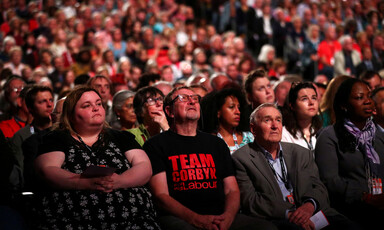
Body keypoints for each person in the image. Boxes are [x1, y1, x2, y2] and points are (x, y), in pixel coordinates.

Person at [143, 86, 276, 230]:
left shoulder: (216, 144)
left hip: (221, 216)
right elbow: (161, 196)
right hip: (180, 218)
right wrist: (197, 219)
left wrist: (228, 217)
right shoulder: (156, 145)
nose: (192, 102)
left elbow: (232, 190)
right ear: (169, 111)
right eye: (183, 98)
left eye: (195, 98)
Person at [32, 86, 160, 229]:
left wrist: (118, 181)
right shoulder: (57, 138)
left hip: (133, 218)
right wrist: (84, 183)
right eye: (87, 105)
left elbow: (144, 166)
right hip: (75, 218)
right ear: (71, 114)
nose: (96, 108)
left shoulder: (121, 137)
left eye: (98, 104)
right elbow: (46, 170)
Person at [232, 103, 359, 230]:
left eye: (278, 120)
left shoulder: (301, 153)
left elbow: (318, 186)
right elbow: (251, 200)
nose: (275, 126)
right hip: (278, 218)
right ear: (253, 129)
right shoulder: (242, 158)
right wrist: (291, 214)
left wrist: (309, 206)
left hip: (312, 212)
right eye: (267, 120)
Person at [315, 78, 384, 229]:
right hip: (350, 209)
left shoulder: (379, 135)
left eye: (369, 96)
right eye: (359, 98)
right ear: (344, 105)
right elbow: (330, 181)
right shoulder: (329, 136)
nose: (367, 101)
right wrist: (366, 197)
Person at [200, 88, 253, 154]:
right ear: (218, 112)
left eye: (238, 108)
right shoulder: (208, 141)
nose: (238, 112)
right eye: (231, 107)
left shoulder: (250, 138)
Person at [281, 82, 322, 152]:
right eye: (304, 99)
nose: (311, 102)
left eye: (314, 98)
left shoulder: (322, 132)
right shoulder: (284, 135)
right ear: (292, 106)